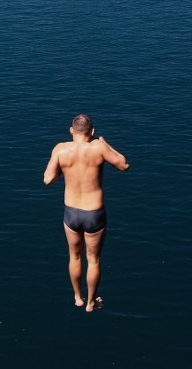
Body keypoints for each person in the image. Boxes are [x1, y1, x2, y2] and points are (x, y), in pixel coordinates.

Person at [43, 114, 130, 312]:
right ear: (92, 132)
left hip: (71, 212)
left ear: (71, 130)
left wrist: (62, 172)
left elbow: (48, 179)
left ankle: (77, 297)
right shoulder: (98, 148)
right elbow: (124, 165)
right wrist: (105, 144)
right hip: (94, 213)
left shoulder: (60, 149)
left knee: (74, 257)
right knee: (93, 260)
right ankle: (91, 303)